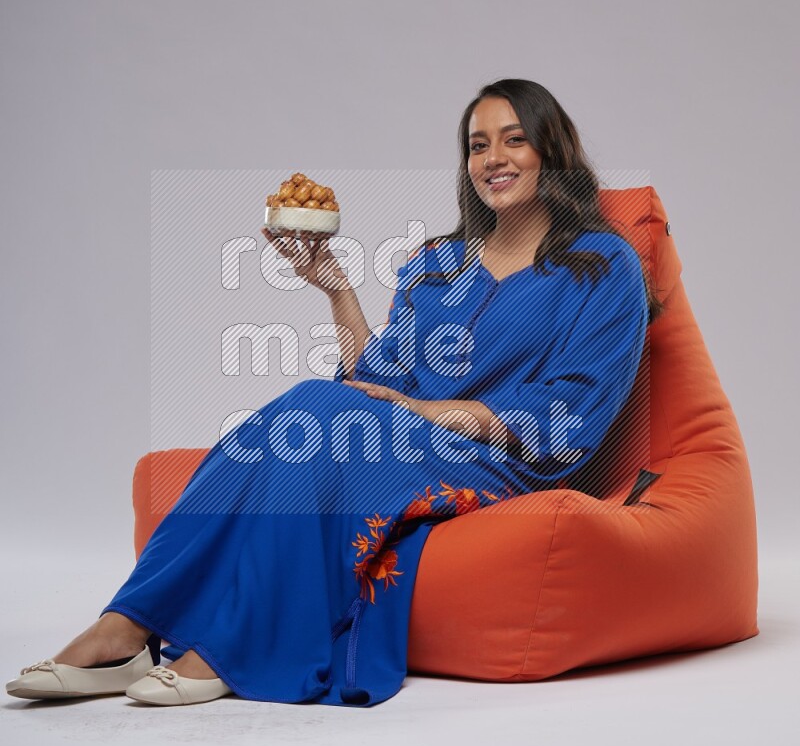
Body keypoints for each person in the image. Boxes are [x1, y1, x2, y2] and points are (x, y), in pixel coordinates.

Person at [5, 78, 662, 708]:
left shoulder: (602, 265)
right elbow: (374, 383)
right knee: (295, 414)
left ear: (552, 149)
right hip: (406, 437)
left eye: (513, 139)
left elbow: (573, 410)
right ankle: (125, 625)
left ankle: (236, 645)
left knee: (318, 409)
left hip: (502, 461)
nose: (492, 158)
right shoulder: (436, 264)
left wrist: (435, 413)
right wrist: (337, 289)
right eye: (477, 144)